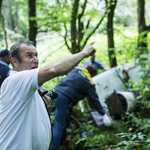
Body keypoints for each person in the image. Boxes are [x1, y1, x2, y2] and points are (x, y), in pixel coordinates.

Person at [0, 40, 95, 150]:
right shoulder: (14, 80)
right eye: (29, 56)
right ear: (15, 61)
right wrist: (83, 53)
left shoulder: (29, 88)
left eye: (36, 55)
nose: (35, 60)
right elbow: (52, 70)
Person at [50, 64, 112, 150]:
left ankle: (62, 140)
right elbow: (95, 100)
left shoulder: (76, 70)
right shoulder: (89, 82)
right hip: (64, 98)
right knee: (59, 123)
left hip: (56, 92)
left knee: (66, 119)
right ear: (93, 74)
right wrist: (103, 114)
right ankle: (54, 148)